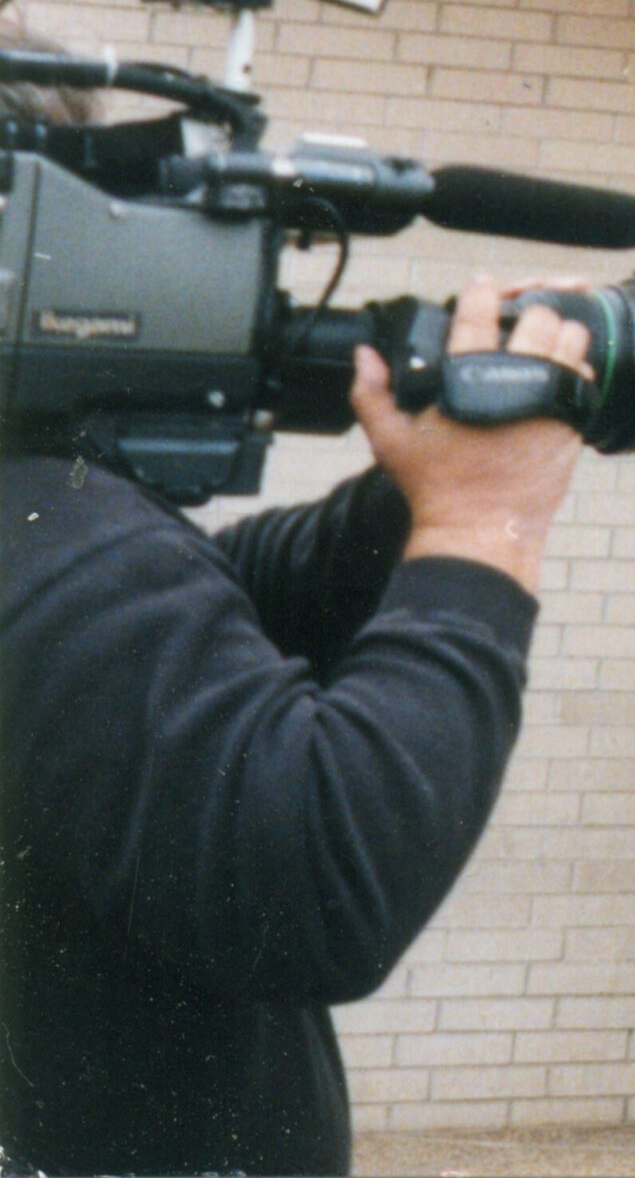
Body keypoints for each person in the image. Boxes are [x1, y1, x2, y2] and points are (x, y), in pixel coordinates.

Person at [0, 273, 593, 1176]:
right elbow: (316, 888)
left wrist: (415, 489)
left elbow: (201, 614)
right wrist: (484, 521)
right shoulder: (56, 533)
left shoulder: (52, 531)